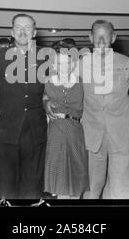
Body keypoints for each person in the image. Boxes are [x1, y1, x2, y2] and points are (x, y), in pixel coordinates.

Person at [45, 20, 129, 199]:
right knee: (91, 186)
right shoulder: (81, 64)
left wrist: (128, 104)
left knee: (122, 186)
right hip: (91, 134)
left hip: (121, 132)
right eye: (97, 37)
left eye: (106, 36)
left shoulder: (127, 63)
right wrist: (46, 99)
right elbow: (61, 81)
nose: (102, 41)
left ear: (114, 37)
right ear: (90, 38)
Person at [0, 13, 48, 199]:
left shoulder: (46, 59)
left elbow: (54, 88)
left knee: (32, 186)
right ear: (11, 32)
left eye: (27, 27)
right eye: (18, 27)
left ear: (35, 32)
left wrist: (49, 100)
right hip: (5, 131)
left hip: (35, 131)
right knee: (5, 186)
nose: (23, 31)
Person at [43, 41, 89, 199]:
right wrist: (45, 102)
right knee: (60, 178)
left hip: (76, 131)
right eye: (59, 63)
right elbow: (40, 101)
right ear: (53, 64)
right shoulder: (47, 82)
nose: (64, 66)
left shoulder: (81, 82)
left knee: (78, 172)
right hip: (56, 132)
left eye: (67, 62)